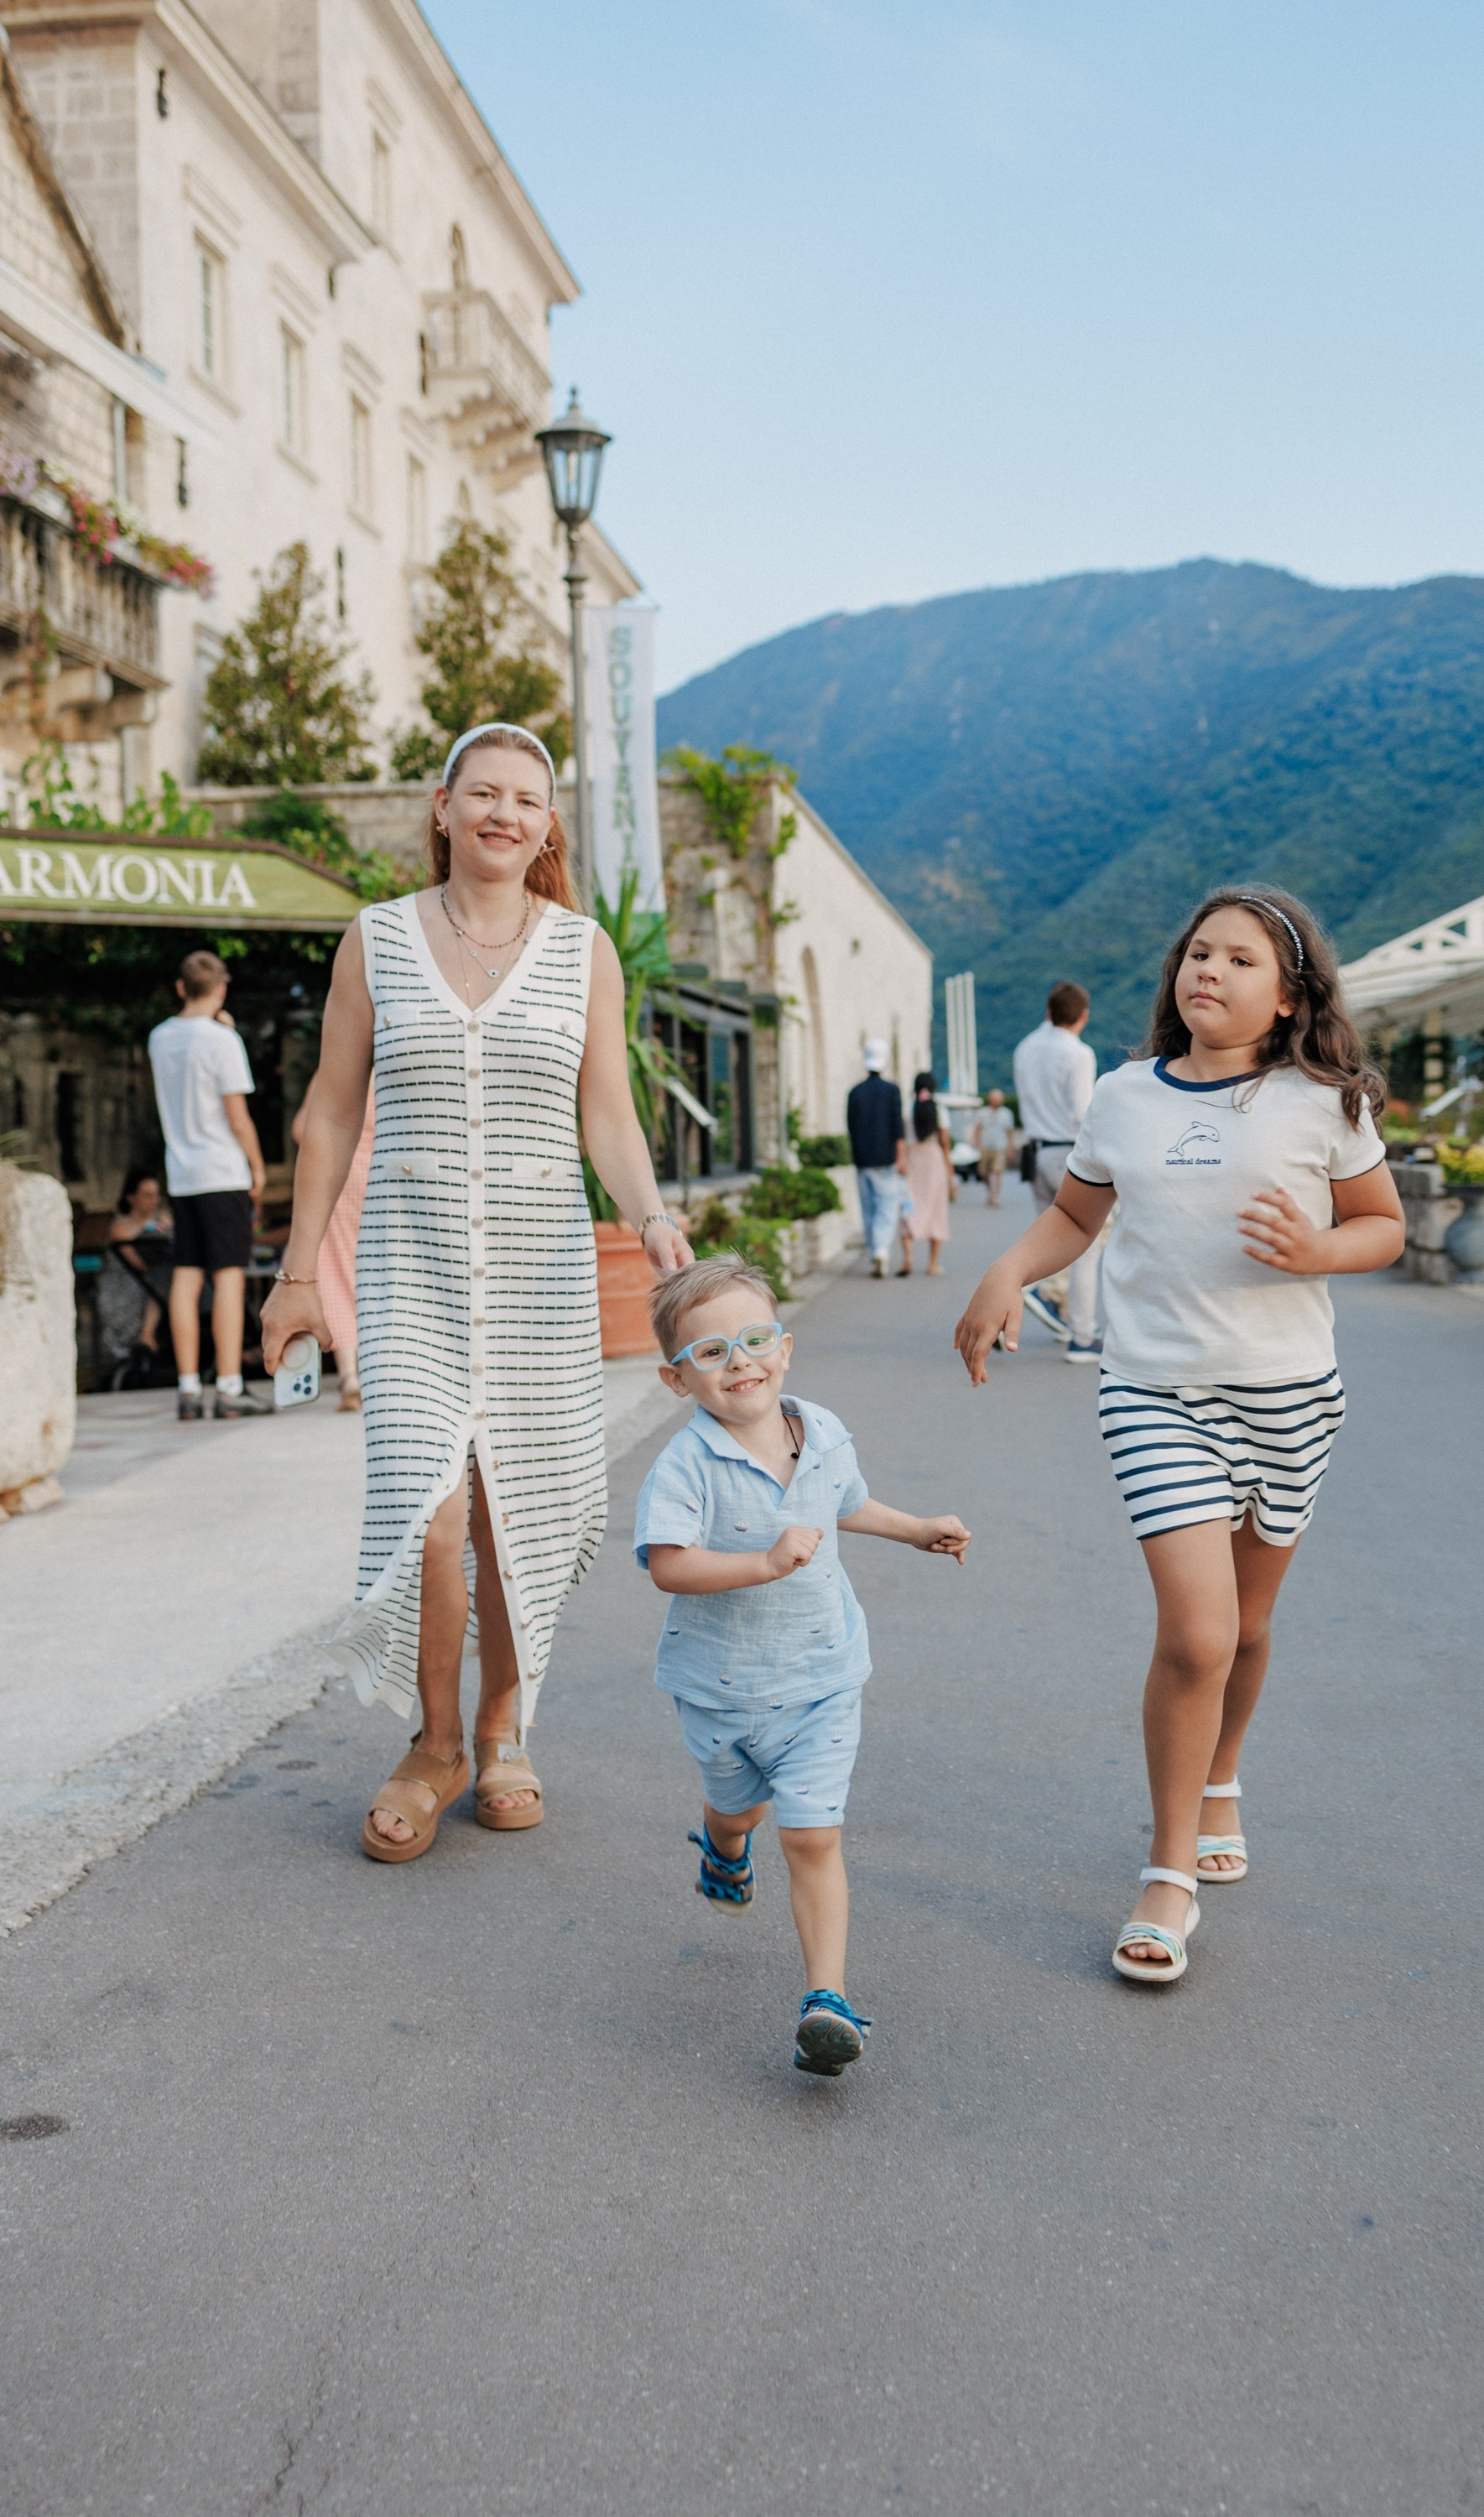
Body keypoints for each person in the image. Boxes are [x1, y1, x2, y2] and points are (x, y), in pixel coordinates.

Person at [955, 887, 1404, 1988]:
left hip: (1290, 1396)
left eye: (1240, 959)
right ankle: (1167, 1874)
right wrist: (1008, 1270)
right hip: (1155, 1392)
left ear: (1289, 993)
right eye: (1197, 953)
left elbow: (1384, 1226)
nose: (1208, 969)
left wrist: (1317, 1250)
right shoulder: (1122, 1097)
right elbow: (1076, 1215)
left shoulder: (1322, 1103)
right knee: (1199, 1636)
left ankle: (1221, 1778)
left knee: (1249, 1631)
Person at [262, 722, 693, 1863]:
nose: (505, 814)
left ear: (546, 826)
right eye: (484, 794)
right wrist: (298, 1275)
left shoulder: (583, 949)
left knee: (519, 1515)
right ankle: (434, 1740)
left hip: (542, 1273)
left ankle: (505, 1731)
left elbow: (608, 1112)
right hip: (412, 1269)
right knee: (431, 1512)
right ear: (443, 807)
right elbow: (329, 1113)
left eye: (527, 801)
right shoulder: (378, 939)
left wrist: (651, 1220)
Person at [636, 1253, 971, 2075]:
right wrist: (760, 1563)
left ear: (784, 1349)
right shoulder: (684, 1464)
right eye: (709, 1351)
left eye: (753, 1340)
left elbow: (845, 1502)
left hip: (822, 1679)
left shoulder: (819, 1430)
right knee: (739, 1813)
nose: (737, 1361)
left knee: (811, 1836)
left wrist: (916, 1528)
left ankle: (826, 1999)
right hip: (720, 1690)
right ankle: (721, 1846)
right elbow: (667, 1564)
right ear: (676, 1379)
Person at [148, 950, 268, 1420]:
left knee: (186, 1275)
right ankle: (231, 1385)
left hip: (182, 1172)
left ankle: (188, 1386)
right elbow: (237, 1115)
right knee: (229, 1278)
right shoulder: (223, 1041)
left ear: (180, 988)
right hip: (222, 1171)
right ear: (221, 989)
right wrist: (256, 1165)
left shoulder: (160, 1038)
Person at [1013, 982, 1102, 1363]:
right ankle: (1082, 1335)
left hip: (1035, 1154)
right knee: (1086, 1243)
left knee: (1051, 1240)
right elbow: (1084, 1113)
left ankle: (1056, 1306)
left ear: (1048, 1013)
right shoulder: (1079, 1054)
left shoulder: (1025, 1049)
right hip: (1069, 1154)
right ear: (1083, 1016)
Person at [293, 1073, 375, 1410]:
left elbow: (301, 1128)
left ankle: (349, 1377)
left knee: (339, 1271)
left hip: (343, 1174)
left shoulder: (342, 1064)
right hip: (390, 1172)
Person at [100, 1165, 173, 1381]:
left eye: (156, 1195)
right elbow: (141, 1268)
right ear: (131, 1198)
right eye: (147, 1195)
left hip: (158, 1285)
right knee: (160, 1285)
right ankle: (146, 1337)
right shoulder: (120, 1228)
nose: (154, 1201)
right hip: (127, 1291)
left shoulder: (164, 1219)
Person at [846, 1040, 907, 1279]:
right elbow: (897, 1126)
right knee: (886, 1206)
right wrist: (901, 1157)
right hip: (886, 1159)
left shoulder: (855, 1092)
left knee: (868, 1208)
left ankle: (874, 1253)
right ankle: (882, 1248)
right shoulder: (891, 1090)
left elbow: (851, 1127)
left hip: (862, 1160)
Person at [898, 1071, 955, 1275]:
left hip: (912, 1159)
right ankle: (932, 1264)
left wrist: (901, 1159)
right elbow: (945, 1142)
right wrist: (951, 1172)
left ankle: (908, 1257)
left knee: (908, 1206)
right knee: (935, 1208)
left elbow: (902, 1138)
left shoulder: (906, 1107)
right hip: (933, 1160)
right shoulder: (939, 1110)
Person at [970, 1090, 1016, 1206]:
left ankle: (995, 1196)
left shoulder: (1007, 1113)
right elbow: (978, 1128)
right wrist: (976, 1142)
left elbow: (1010, 1132)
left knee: (997, 1171)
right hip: (985, 1146)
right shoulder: (983, 1113)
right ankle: (990, 1191)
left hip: (1000, 1146)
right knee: (983, 1172)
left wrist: (1011, 1148)